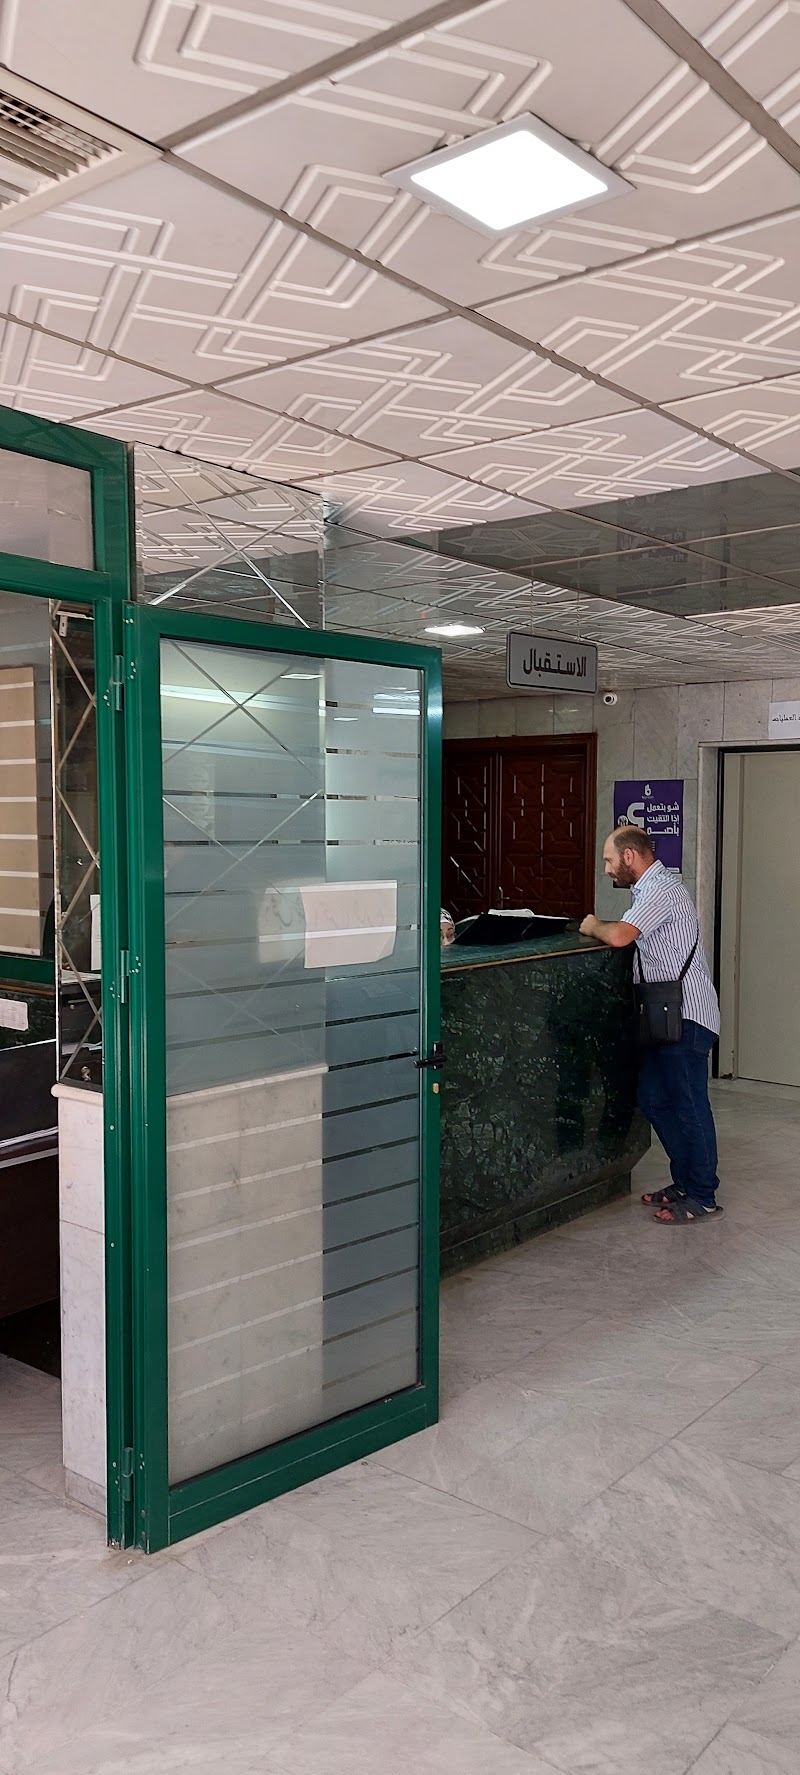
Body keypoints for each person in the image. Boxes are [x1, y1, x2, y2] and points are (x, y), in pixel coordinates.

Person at [579, 825, 722, 1224]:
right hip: (666, 1017)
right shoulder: (647, 891)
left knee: (690, 1106)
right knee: (654, 1098)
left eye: (609, 860)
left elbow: (620, 937)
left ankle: (703, 1194)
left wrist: (592, 925)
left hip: (687, 1015)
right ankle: (686, 1182)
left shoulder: (660, 889)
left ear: (629, 856)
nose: (607, 869)